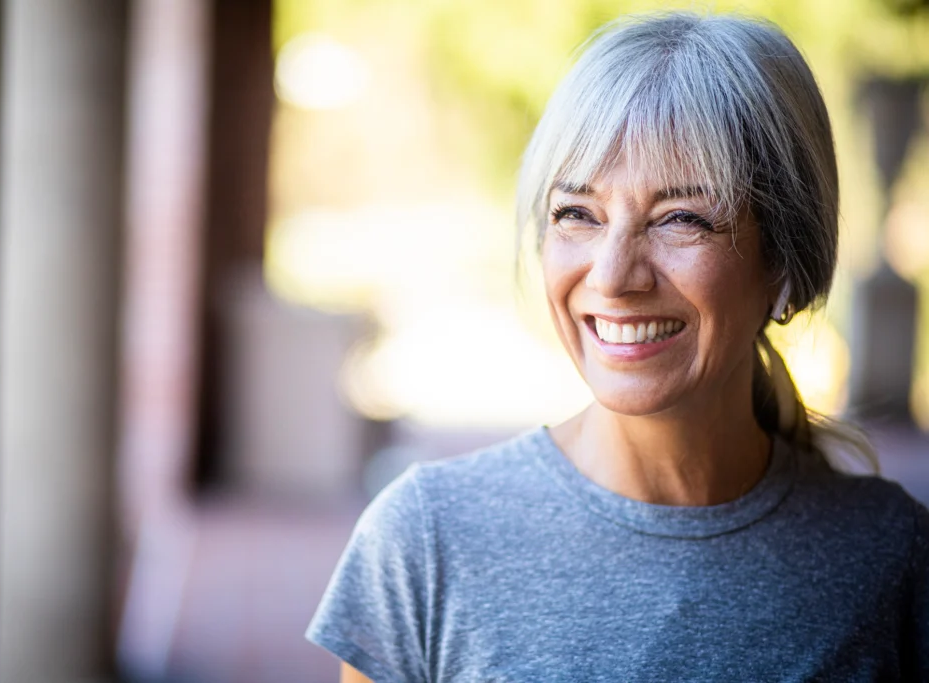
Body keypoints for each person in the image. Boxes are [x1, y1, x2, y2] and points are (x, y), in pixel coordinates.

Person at [306, 11, 929, 682]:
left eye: (681, 219)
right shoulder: (423, 541)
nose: (612, 275)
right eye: (578, 213)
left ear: (783, 262)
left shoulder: (893, 559)